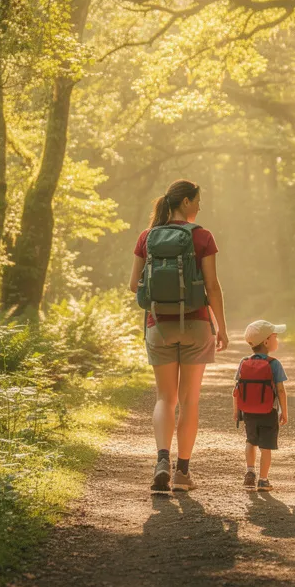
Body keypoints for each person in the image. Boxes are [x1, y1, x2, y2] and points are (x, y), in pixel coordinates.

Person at [128, 180, 229, 492]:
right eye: (197, 201)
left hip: (158, 325)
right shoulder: (202, 236)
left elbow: (134, 285)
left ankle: (161, 460)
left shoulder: (147, 237)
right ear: (185, 203)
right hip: (197, 326)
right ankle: (182, 473)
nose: (199, 208)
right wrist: (221, 327)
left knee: (164, 398)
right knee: (189, 400)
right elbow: (212, 287)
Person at [235, 320, 289, 492]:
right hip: (269, 412)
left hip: (248, 412)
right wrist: (284, 412)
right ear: (266, 342)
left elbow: (236, 390)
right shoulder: (274, 363)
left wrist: (237, 411)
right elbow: (281, 391)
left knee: (251, 441)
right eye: (275, 336)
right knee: (266, 446)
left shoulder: (244, 362)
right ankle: (263, 480)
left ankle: (250, 472)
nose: (277, 339)